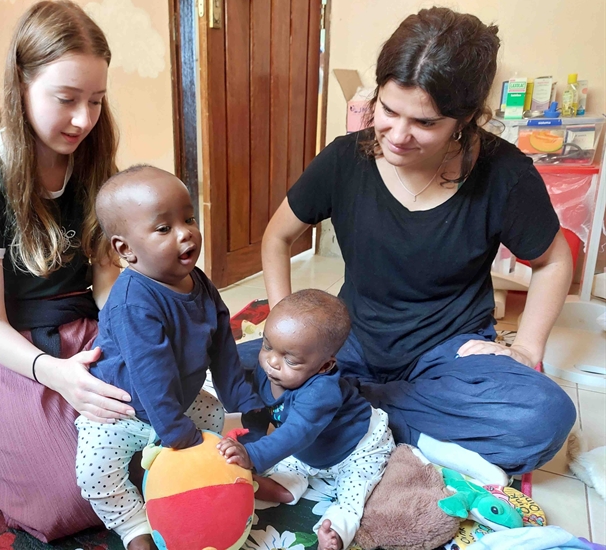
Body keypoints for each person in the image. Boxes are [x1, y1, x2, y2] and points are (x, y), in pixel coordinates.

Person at [241, 6, 576, 486]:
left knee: (543, 418)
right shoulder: (344, 159)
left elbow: (553, 260)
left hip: (448, 354)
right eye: (388, 110)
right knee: (227, 363)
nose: (397, 135)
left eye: (425, 122)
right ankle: (386, 423)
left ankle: (349, 412)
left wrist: (525, 347)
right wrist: (287, 331)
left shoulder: (505, 173)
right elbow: (278, 236)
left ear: (464, 119)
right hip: (348, 343)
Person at [0, 1, 148, 541]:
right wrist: (58, 375)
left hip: (80, 323)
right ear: (21, 85)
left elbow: (106, 283)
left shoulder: (96, 168)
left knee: (169, 431)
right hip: (7, 344)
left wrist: (134, 339)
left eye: (95, 101)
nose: (83, 119)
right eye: (66, 99)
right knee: (68, 499)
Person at [75, 165, 264, 550]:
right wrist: (180, 436)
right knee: (93, 474)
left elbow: (223, 351)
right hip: (122, 409)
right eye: (164, 228)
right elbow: (150, 377)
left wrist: (247, 406)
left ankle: (226, 482)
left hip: (179, 397)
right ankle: (133, 526)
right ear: (125, 249)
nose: (185, 233)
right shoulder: (132, 303)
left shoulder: (201, 284)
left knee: (215, 419)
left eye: (188, 219)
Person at [218, 289, 395, 550]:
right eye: (267, 346)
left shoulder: (322, 391)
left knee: (354, 494)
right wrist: (249, 445)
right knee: (283, 467)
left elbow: (296, 432)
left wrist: (253, 454)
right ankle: (272, 488)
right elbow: (257, 411)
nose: (272, 362)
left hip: (358, 448)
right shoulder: (268, 371)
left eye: (290, 360)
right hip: (309, 450)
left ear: (324, 366)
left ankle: (335, 533)